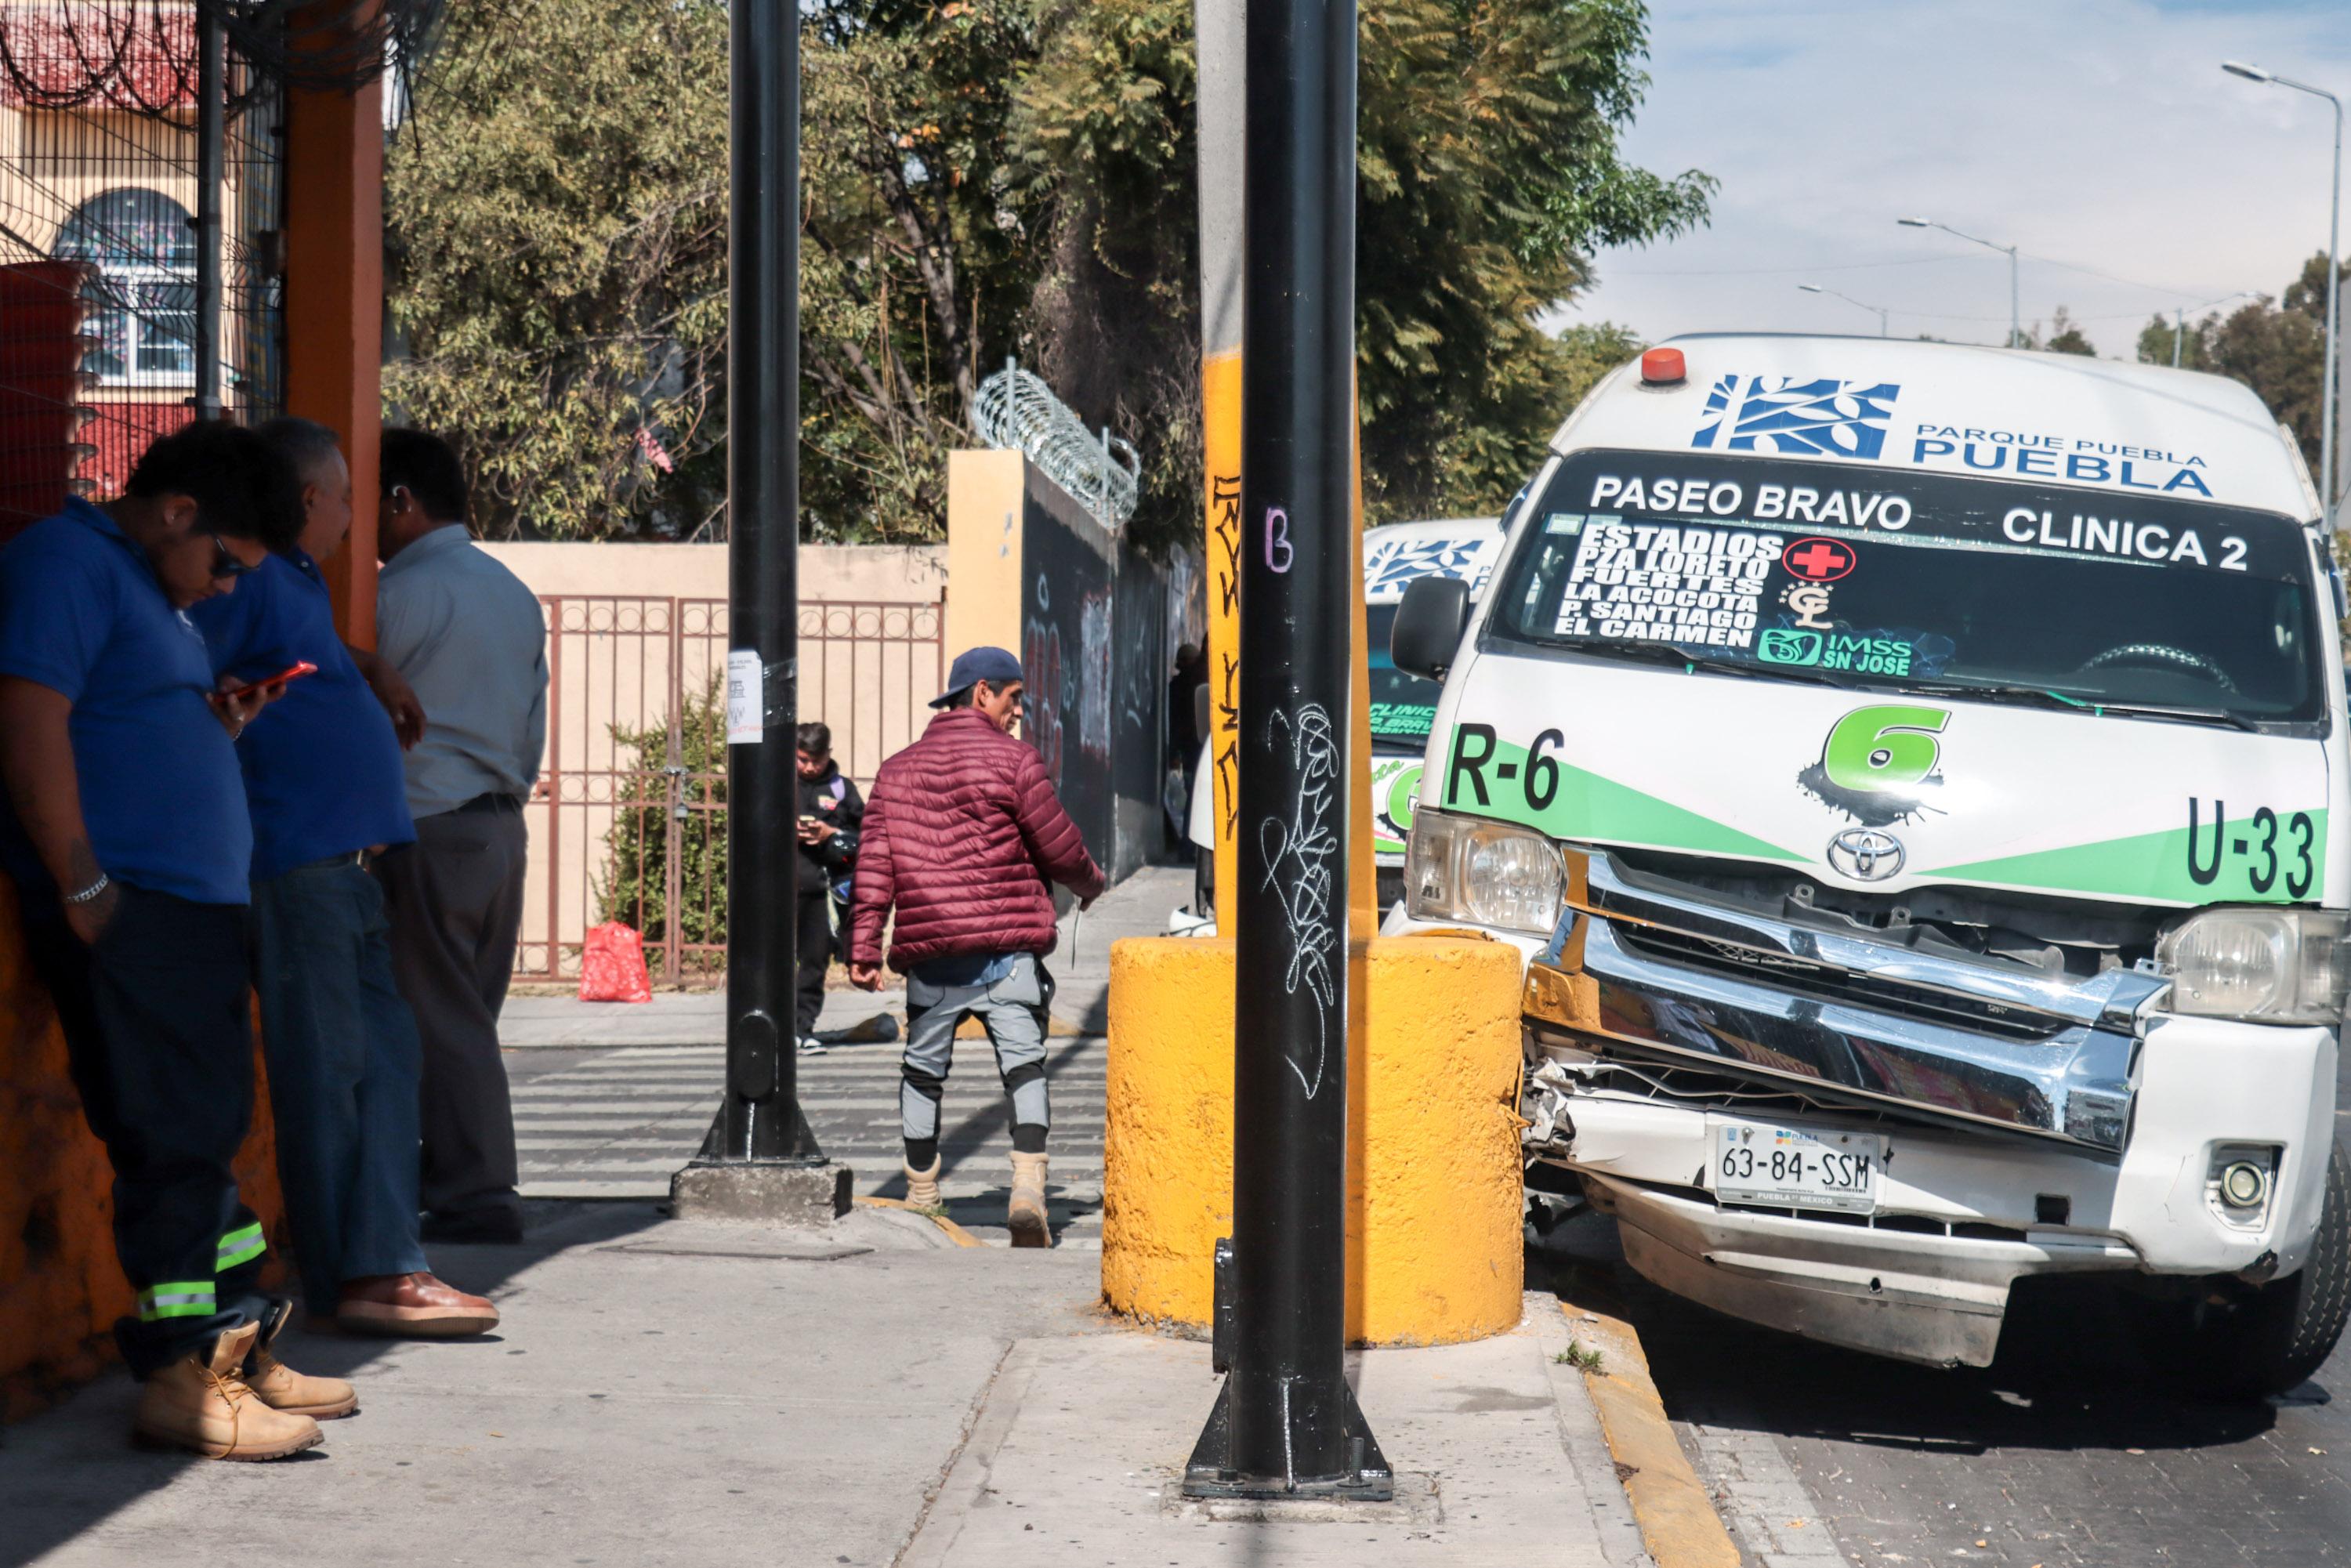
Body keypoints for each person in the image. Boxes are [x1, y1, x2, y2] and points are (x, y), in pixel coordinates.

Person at [0, 420, 342, 1459]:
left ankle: (235, 1340)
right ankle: (181, 1374)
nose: (227, 591)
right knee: (168, 1132)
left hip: (186, 909)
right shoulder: (69, 560)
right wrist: (85, 881)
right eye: (225, 564)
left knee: (203, 1128)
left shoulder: (160, 592)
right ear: (177, 512)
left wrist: (220, 724)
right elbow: (28, 711)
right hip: (131, 905)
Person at [189, 418, 500, 1338]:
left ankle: (385, 1260)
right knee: (331, 1073)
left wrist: (367, 664)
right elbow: (186, 660)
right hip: (294, 861)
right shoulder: (242, 579)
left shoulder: (297, 581)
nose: (354, 516)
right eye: (347, 497)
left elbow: (305, 658)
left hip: (350, 864)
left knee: (385, 1063)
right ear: (311, 498)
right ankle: (363, 1273)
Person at [849, 646, 1106, 1246]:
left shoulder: (896, 769)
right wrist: (1090, 883)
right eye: (1015, 697)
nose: (1020, 711)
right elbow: (1059, 845)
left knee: (922, 1073)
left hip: (931, 957)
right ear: (983, 692)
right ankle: (1026, 1188)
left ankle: (922, 1194)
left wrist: (864, 944)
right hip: (1005, 954)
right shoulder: (1015, 762)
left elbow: (874, 866)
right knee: (1024, 1068)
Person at [371, 428, 549, 1247]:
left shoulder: (398, 595)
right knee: (466, 1012)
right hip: (497, 826)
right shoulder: (509, 592)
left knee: (442, 1021)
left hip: (427, 824)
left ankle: (476, 1193)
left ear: (401, 500)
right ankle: (450, 1178)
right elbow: (530, 725)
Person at [795, 721, 863, 1053]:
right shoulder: (778, 784)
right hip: (779, 893)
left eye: (816, 760)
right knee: (772, 965)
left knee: (814, 962)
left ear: (828, 755)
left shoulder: (841, 790)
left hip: (821, 893)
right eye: (803, 759)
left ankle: (803, 1029)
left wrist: (830, 834)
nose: (809, 767)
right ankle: (773, 1029)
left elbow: (866, 833)